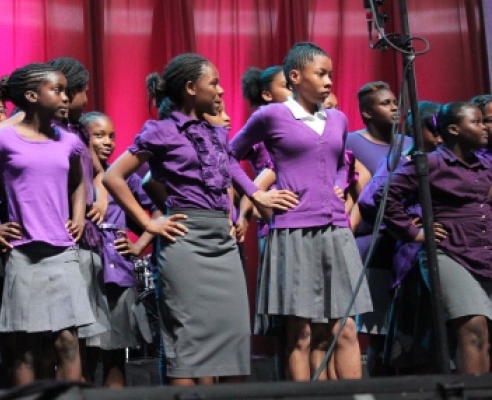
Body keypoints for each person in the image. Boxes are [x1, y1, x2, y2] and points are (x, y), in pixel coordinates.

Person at [104, 53, 265, 385]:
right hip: (185, 243)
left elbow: (229, 172)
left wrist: (249, 201)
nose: (221, 90)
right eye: (214, 83)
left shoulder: (216, 131)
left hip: (222, 243)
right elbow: (113, 177)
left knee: (233, 339)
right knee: (187, 344)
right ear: (191, 88)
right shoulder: (161, 131)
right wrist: (149, 223)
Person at [230, 42, 371, 381]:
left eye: (331, 75)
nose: (328, 81)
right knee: (301, 334)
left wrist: (339, 183)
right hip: (293, 230)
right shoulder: (272, 115)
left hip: (336, 228)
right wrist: (256, 195)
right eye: (321, 74)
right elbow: (227, 154)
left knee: (346, 327)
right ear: (295, 76)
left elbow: (342, 162)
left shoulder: (337, 119)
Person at [0, 63, 94, 385]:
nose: (65, 97)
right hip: (23, 253)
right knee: (25, 346)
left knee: (68, 341)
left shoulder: (69, 142)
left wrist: (77, 216)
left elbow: (79, 183)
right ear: (32, 96)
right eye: (57, 90)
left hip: (63, 251)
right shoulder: (2, 139)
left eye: (66, 91)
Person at [374, 101, 492, 374]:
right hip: (450, 253)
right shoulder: (431, 163)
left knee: (487, 335)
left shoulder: (484, 165)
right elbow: (383, 196)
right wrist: (413, 231)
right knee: (473, 327)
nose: (484, 127)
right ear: (453, 129)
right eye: (476, 122)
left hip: (484, 252)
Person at [358, 101, 443, 374]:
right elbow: (372, 198)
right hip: (406, 260)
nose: (440, 138)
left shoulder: (445, 160)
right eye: (434, 132)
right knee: (399, 341)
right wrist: (407, 226)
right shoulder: (405, 160)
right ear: (418, 132)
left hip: (442, 252)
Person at [81, 111, 159, 387]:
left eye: (112, 136)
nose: (108, 142)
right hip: (85, 270)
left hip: (118, 273)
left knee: (115, 354)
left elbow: (158, 209)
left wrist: (139, 243)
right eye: (99, 135)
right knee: (84, 355)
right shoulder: (74, 176)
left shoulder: (125, 178)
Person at [47, 57, 109, 382]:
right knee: (66, 332)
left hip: (89, 238)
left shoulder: (81, 131)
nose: (87, 98)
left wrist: (102, 197)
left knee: (88, 333)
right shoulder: (48, 132)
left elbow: (99, 175)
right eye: (84, 91)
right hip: (62, 236)